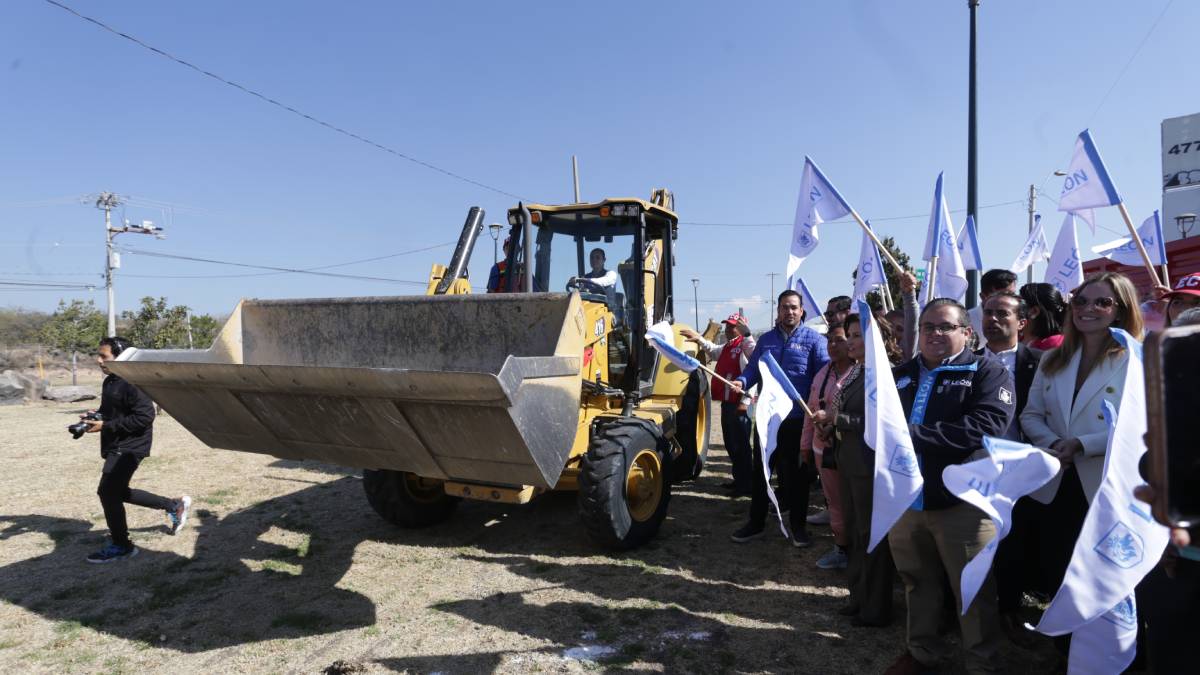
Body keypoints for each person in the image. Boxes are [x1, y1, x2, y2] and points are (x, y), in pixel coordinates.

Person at [883, 299, 1015, 675]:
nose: (935, 334)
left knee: (973, 592)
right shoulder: (900, 373)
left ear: (966, 333)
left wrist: (912, 436)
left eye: (946, 327)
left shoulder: (987, 372)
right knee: (917, 582)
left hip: (964, 504)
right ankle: (922, 651)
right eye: (928, 327)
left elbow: (986, 426)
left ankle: (981, 663)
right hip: (907, 502)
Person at [1020, 272, 1145, 605]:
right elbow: (1030, 414)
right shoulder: (1052, 358)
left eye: (1103, 302)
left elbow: (1142, 426)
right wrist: (1053, 444)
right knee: (1060, 574)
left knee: (1107, 584)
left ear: (1120, 310)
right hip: (1056, 483)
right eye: (1081, 301)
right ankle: (1065, 654)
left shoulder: (1138, 360)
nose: (1088, 309)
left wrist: (1082, 444)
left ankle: (1116, 657)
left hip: (1107, 486)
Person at [814, 313, 903, 627]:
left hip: (869, 467)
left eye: (855, 335)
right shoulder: (858, 371)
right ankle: (858, 597)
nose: (849, 341)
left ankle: (875, 608)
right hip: (849, 462)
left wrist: (834, 419)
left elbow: (878, 424)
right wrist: (830, 426)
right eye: (849, 335)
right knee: (853, 534)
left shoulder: (884, 375)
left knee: (871, 537)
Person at [727, 290, 830, 546]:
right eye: (785, 307)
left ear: (802, 310)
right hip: (768, 419)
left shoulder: (815, 340)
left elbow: (823, 378)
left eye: (794, 307)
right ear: (778, 311)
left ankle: (798, 527)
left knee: (797, 476)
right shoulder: (766, 340)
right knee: (762, 473)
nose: (789, 312)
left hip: (798, 420)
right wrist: (742, 380)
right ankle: (756, 523)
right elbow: (753, 370)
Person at [976, 291, 1045, 643]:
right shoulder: (966, 363)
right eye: (987, 312)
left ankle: (1010, 607)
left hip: (1024, 473)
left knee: (1015, 543)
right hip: (977, 471)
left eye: (1001, 313)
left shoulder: (1041, 363)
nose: (992, 319)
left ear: (1021, 322)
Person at [85, 336, 191, 563]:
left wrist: (107, 425)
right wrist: (95, 417)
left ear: (120, 357)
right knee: (117, 491)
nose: (98, 360)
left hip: (132, 447)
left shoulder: (133, 383)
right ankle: (173, 505)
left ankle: (122, 545)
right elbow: (109, 411)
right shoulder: (111, 381)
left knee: (107, 492)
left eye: (104, 356)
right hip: (116, 444)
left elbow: (145, 417)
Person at [800, 320, 855, 568]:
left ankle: (858, 551)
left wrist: (834, 423)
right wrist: (805, 446)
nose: (833, 345)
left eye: (840, 340)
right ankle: (842, 550)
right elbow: (811, 411)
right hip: (824, 451)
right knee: (835, 501)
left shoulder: (861, 373)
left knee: (855, 503)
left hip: (854, 452)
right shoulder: (822, 373)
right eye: (830, 340)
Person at [681, 314, 756, 496]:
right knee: (731, 443)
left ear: (741, 328)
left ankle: (746, 485)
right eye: (727, 326)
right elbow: (713, 350)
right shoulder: (729, 346)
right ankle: (739, 480)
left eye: (732, 327)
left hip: (740, 404)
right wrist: (699, 338)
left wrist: (745, 402)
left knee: (741, 445)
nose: (728, 330)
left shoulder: (745, 346)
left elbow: (754, 372)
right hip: (728, 403)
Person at [967, 269, 1018, 337]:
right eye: (1000, 296)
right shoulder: (966, 321)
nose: (1007, 300)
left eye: (1012, 295)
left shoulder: (1018, 319)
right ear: (983, 297)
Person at [1018, 282, 1067, 351]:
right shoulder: (1016, 338)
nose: (1013, 308)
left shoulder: (1054, 344)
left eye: (1019, 304)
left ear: (1034, 311)